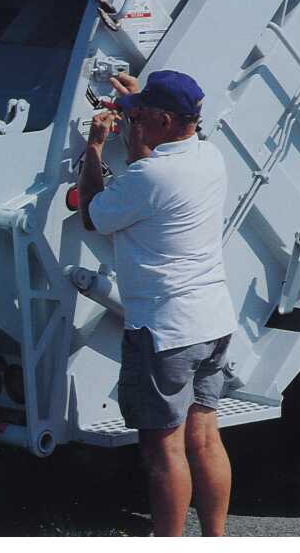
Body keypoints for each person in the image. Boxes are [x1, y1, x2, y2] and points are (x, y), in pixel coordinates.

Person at [79, 69, 235, 538]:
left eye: (145, 114)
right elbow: (153, 162)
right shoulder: (211, 157)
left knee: (164, 450)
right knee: (205, 437)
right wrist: (133, 109)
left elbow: (92, 214)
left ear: (165, 120)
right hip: (213, 322)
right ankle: (216, 538)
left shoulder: (148, 177)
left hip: (166, 331)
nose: (136, 119)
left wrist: (93, 147)